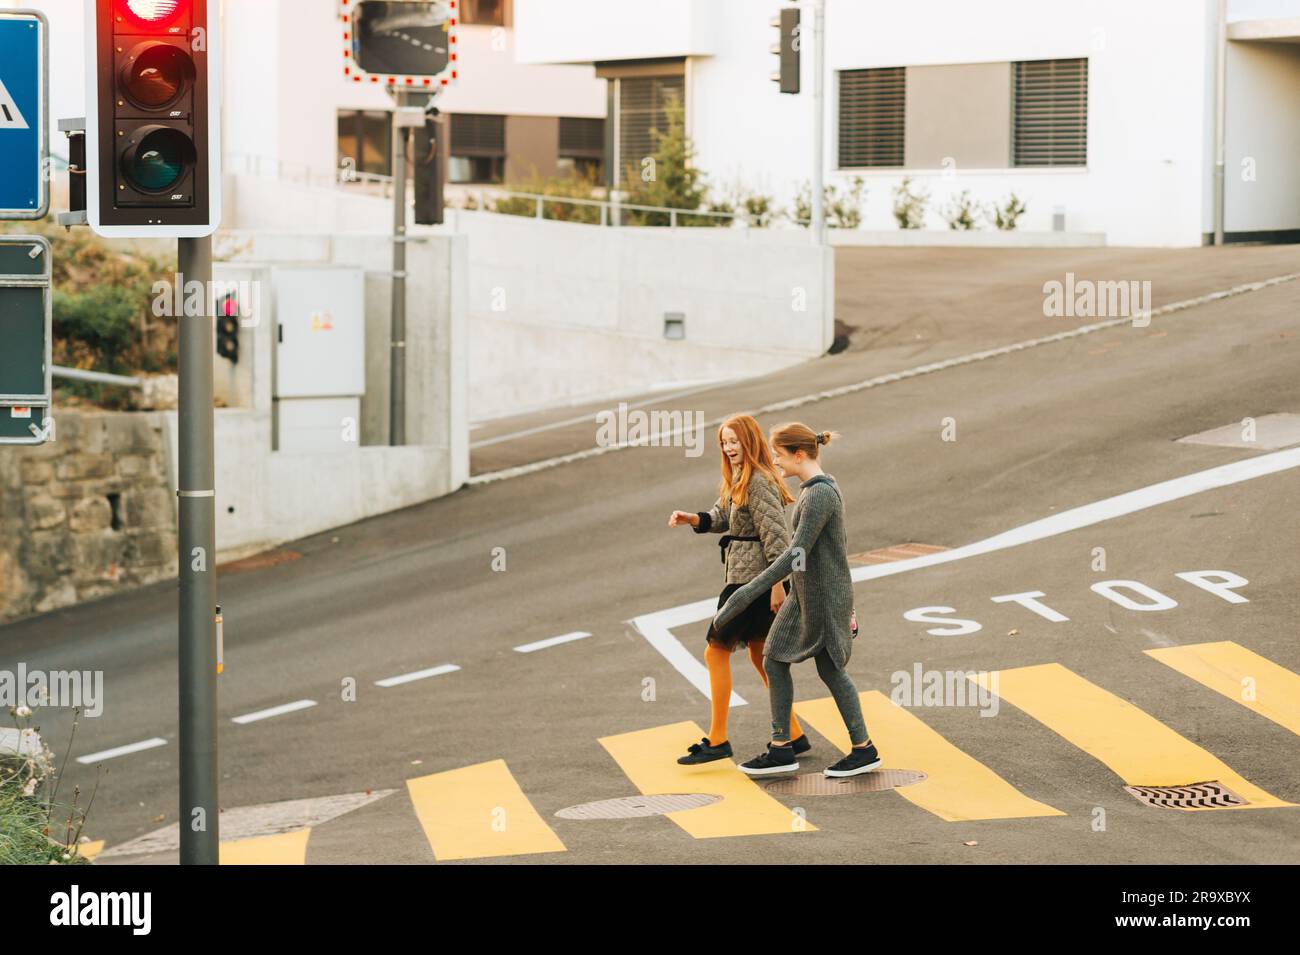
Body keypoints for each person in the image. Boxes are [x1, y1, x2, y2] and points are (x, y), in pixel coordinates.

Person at [712, 423, 882, 778]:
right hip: (806, 593)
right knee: (774, 658)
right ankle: (781, 748)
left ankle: (863, 749)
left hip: (823, 594)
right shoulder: (810, 491)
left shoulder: (820, 495)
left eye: (780, 455)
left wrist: (746, 593)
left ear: (800, 454)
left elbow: (796, 553)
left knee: (830, 669)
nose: (775, 461)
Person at [667, 414, 812, 764]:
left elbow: (778, 541)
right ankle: (793, 733)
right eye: (724, 442)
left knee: (715, 652)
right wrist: (694, 519)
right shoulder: (738, 478)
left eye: (734, 441)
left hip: (754, 584)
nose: (729, 448)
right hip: (746, 578)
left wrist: (778, 587)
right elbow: (723, 517)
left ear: (748, 441)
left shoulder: (760, 481)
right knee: (761, 657)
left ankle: (718, 740)